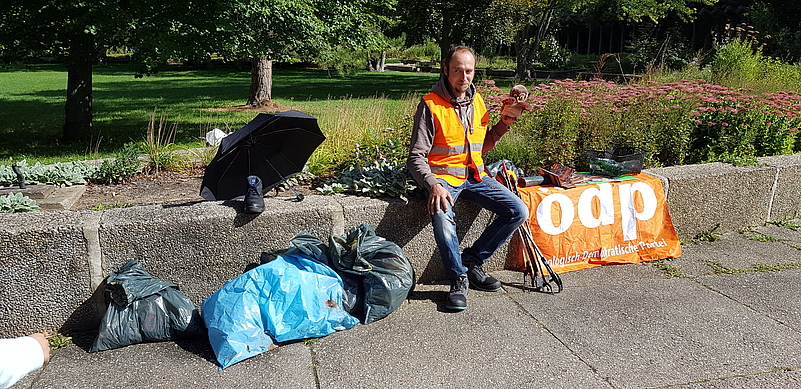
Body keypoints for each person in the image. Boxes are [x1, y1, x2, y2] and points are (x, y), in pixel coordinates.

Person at [406, 45, 529, 311]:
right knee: (441, 216)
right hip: (444, 178)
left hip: (475, 174)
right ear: (446, 71)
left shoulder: (477, 100)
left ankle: (472, 261)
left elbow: (481, 145)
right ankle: (458, 278)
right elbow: (416, 158)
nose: (464, 77)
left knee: (517, 210)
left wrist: (505, 122)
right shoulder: (430, 105)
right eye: (457, 71)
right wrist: (434, 185)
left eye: (469, 71)